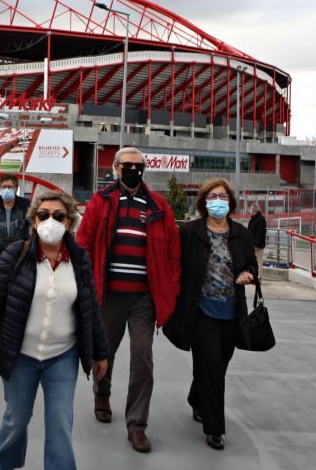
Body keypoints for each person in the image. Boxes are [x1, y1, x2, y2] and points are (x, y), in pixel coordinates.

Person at [0, 190, 109, 470]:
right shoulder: (16, 256)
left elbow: (90, 308)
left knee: (60, 428)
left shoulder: (80, 260)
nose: (50, 221)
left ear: (70, 222)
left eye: (59, 216)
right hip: (21, 355)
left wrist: (100, 352)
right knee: (17, 418)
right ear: (33, 220)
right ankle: (4, 462)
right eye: (43, 214)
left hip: (62, 356)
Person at [76, 147, 180, 453]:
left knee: (143, 359)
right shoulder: (102, 201)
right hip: (108, 296)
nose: (133, 170)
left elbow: (173, 252)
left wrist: (170, 289)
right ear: (116, 169)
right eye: (127, 165)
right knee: (104, 352)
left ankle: (137, 424)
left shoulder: (159, 206)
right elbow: (83, 244)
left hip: (143, 299)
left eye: (138, 165)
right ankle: (102, 393)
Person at [165, 179, 257, 451]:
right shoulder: (190, 232)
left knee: (218, 365)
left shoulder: (241, 233)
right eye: (213, 196)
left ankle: (197, 398)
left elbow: (251, 263)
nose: (218, 200)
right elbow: (175, 265)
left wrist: (248, 273)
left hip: (231, 312)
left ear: (230, 201)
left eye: (223, 196)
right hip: (200, 310)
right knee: (213, 366)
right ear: (204, 201)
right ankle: (214, 428)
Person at [247, 203, 267, 268]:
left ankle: (259, 277)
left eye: (250, 209)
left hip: (257, 246)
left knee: (258, 262)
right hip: (252, 245)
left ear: (254, 210)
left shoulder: (260, 219)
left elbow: (260, 233)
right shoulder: (254, 218)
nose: (249, 210)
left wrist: (256, 245)